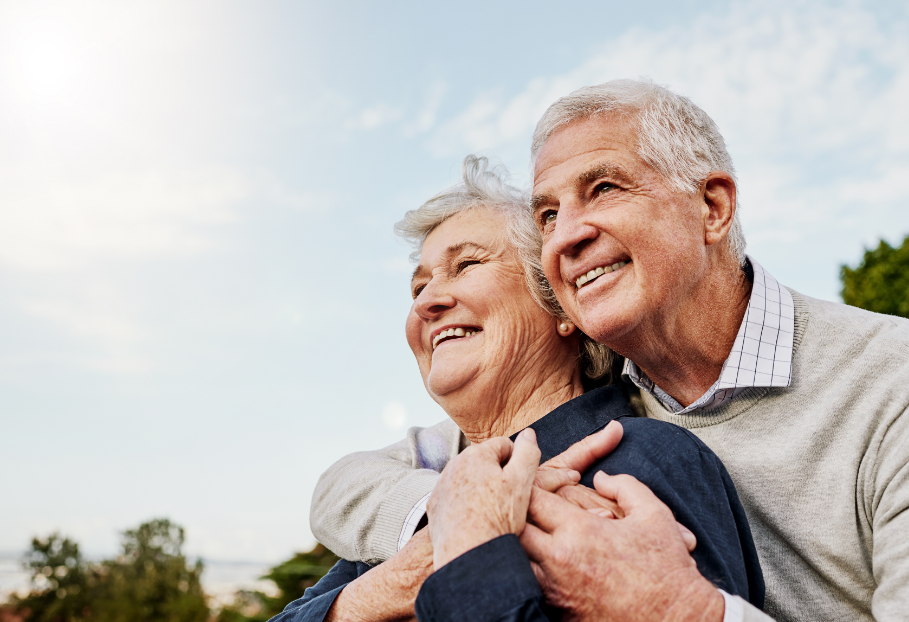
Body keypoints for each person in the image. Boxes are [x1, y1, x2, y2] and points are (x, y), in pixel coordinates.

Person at [311, 79, 909, 621]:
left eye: (603, 188)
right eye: (547, 214)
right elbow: (349, 483)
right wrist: (445, 519)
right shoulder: (579, 407)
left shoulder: (890, 381)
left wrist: (685, 612)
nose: (568, 234)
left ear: (713, 207)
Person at [277, 156, 763, 621]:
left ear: (559, 307)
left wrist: (467, 554)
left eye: (465, 265)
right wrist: (399, 581)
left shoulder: (643, 461)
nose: (428, 302)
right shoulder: (423, 506)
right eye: (417, 288)